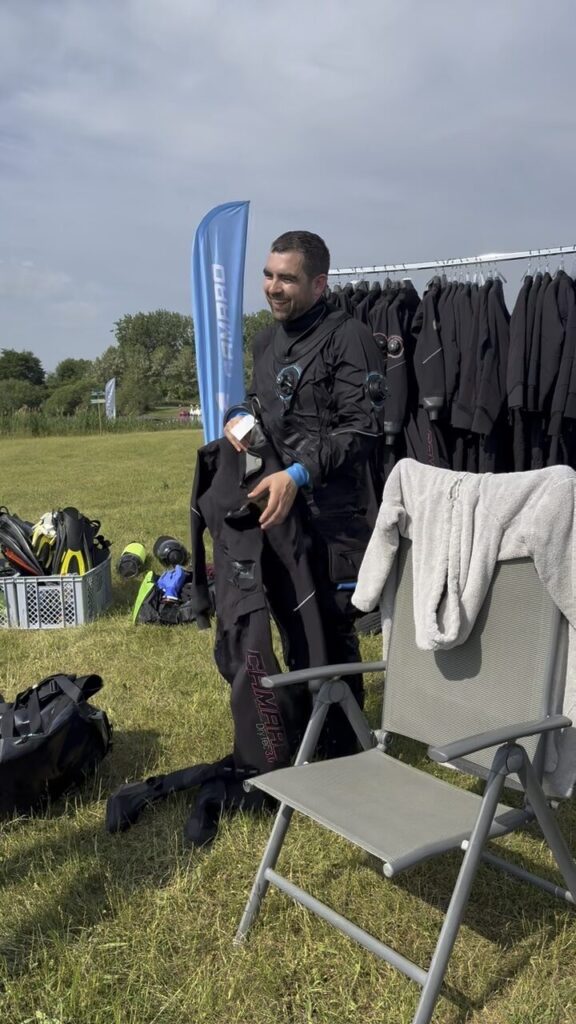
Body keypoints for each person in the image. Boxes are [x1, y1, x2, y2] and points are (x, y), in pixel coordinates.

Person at [224, 230, 385, 755]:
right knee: (292, 625)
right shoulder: (266, 341)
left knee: (331, 636)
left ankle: (347, 751)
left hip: (333, 518)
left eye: (286, 278)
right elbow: (259, 402)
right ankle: (308, 738)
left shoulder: (351, 337)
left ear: (319, 283)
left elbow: (362, 429)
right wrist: (238, 419)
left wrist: (298, 475)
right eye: (268, 275)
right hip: (278, 515)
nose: (273, 287)